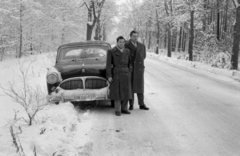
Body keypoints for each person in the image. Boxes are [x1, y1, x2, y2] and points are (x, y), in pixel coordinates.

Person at [106, 36, 132, 116]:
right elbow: (108, 65)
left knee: (126, 91)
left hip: (126, 73)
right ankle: (117, 109)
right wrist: (109, 76)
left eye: (123, 42)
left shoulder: (127, 51)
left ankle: (124, 108)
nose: (122, 43)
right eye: (120, 42)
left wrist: (129, 70)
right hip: (116, 73)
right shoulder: (111, 51)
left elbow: (130, 62)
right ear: (117, 42)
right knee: (117, 92)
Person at [125, 30, 149, 110]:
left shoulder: (142, 46)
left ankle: (141, 104)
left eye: (136, 36)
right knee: (130, 87)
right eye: (134, 36)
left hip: (139, 68)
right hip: (130, 68)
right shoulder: (126, 45)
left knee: (140, 86)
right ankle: (131, 104)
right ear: (130, 36)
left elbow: (144, 56)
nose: (135, 38)